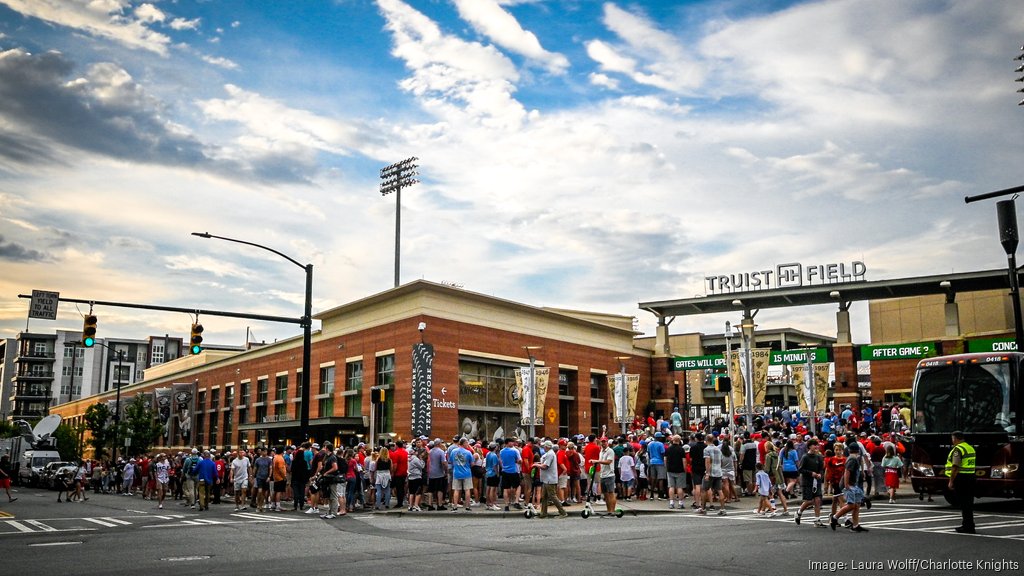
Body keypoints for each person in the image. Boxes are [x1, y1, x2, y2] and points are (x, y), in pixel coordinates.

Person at [830, 442, 868, 532]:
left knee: (857, 504)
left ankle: (855, 525)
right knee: (851, 505)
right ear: (858, 450)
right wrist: (846, 485)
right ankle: (835, 517)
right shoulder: (852, 459)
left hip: (853, 484)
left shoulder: (854, 458)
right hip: (849, 484)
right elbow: (847, 471)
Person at [946, 430, 976, 533]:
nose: (952, 441)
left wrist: (951, 481)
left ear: (956, 438)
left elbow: (955, 466)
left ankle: (967, 526)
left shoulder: (958, 449)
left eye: (952, 438)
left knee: (964, 503)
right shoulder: (970, 448)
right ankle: (969, 525)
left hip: (962, 478)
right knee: (969, 503)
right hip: (971, 477)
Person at [794, 439, 826, 528]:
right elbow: (800, 469)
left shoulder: (819, 457)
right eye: (814, 445)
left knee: (817, 500)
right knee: (809, 501)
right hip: (807, 481)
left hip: (817, 481)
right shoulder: (805, 457)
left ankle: (817, 520)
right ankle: (799, 512)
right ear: (809, 446)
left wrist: (820, 474)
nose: (816, 447)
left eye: (817, 445)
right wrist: (811, 473)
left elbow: (821, 468)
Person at [533, 440, 567, 519]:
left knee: (553, 496)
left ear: (547, 446)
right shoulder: (549, 454)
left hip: (549, 479)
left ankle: (563, 512)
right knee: (544, 496)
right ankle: (543, 513)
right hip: (547, 479)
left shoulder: (550, 454)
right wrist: (538, 464)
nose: (543, 447)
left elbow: (545, 466)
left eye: (544, 446)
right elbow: (544, 464)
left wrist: (536, 465)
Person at [700, 434, 725, 516]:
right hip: (718, 472)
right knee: (719, 490)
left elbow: (707, 461)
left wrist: (707, 473)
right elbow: (721, 461)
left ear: (706, 440)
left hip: (710, 472)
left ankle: (703, 508)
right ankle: (722, 508)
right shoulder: (718, 449)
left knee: (704, 489)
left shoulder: (706, 449)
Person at [448, 438, 474, 512]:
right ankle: (467, 506)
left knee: (456, 490)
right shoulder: (468, 452)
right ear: (464, 443)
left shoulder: (453, 451)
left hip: (456, 472)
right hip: (467, 473)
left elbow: (450, 461)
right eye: (467, 443)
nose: (468, 444)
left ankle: (455, 506)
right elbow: (472, 463)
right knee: (467, 490)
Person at [665, 434, 686, 509]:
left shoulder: (668, 449)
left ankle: (671, 502)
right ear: (679, 441)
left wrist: (666, 467)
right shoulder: (681, 449)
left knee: (671, 486)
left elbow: (665, 459)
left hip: (670, 469)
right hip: (680, 469)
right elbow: (684, 460)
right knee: (680, 487)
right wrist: (684, 468)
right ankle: (680, 503)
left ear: (672, 440)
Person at [597, 437, 617, 515]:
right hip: (603, 474)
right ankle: (609, 510)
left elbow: (609, 461)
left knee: (611, 493)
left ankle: (612, 511)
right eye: (602, 442)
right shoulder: (601, 451)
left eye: (604, 442)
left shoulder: (610, 451)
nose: (603, 443)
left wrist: (597, 461)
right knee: (605, 494)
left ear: (607, 442)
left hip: (610, 475)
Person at [374, 446, 392, 511]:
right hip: (387, 474)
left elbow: (375, 468)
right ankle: (387, 504)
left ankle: (378, 505)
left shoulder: (378, 460)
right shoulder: (389, 460)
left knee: (378, 491)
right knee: (387, 491)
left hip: (379, 475)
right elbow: (391, 468)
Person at [271, 446, 288, 512]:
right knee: (279, 492)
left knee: (275, 491)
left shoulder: (275, 457)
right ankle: (278, 506)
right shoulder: (280, 458)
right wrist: (284, 477)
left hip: (275, 476)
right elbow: (281, 469)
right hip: (280, 477)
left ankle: (273, 504)